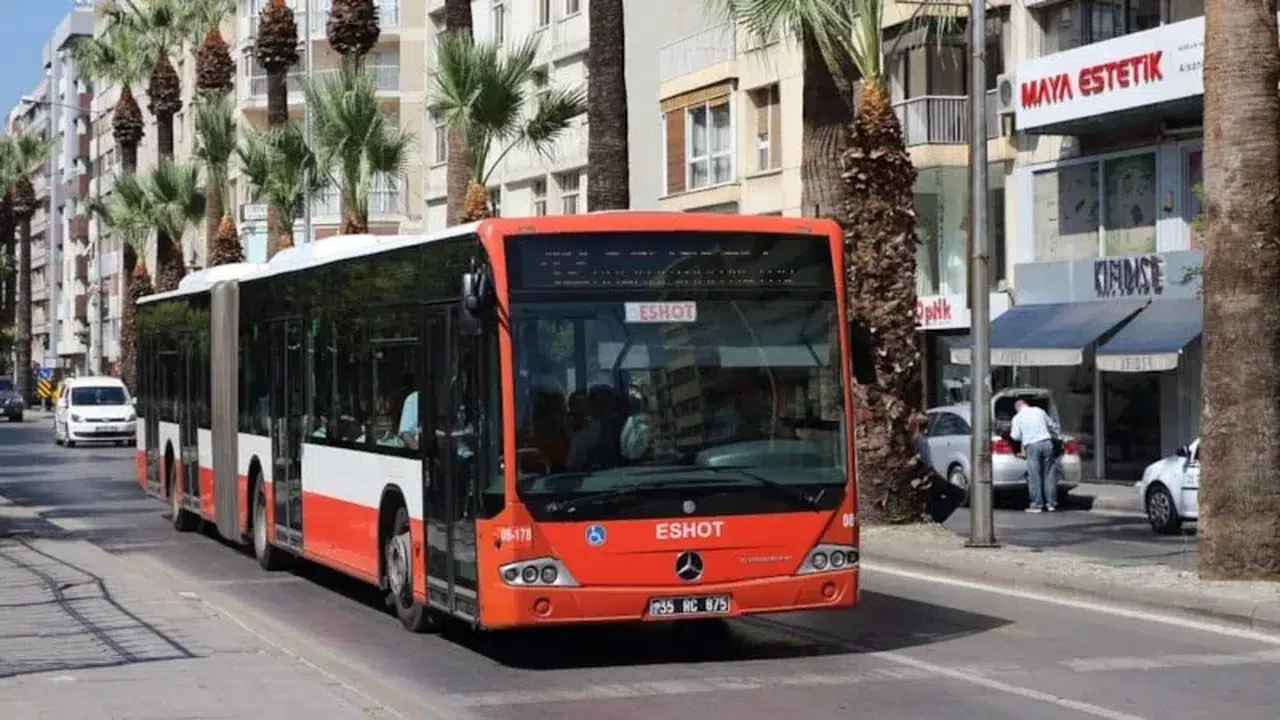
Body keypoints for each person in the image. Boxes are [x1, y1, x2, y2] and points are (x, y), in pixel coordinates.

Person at [1010, 398, 1061, 512]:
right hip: (1047, 443)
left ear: (1017, 408)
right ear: (1026, 404)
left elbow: (1015, 436)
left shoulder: (1017, 418)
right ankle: (1051, 504)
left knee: (1034, 476)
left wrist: (1024, 434)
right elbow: (1051, 425)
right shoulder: (1039, 411)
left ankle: (1037, 505)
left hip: (1032, 446)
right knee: (1049, 475)